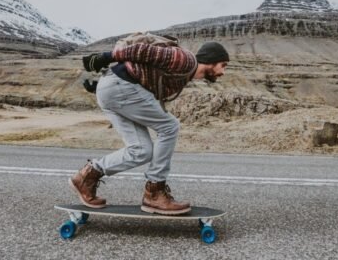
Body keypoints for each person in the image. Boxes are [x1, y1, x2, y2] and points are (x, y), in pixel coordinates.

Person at [70, 41, 229, 215]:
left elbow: (146, 85)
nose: (223, 72)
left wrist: (103, 88)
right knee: (169, 126)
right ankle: (155, 191)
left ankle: (86, 177)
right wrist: (107, 57)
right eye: (223, 65)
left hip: (115, 90)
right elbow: (143, 51)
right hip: (119, 87)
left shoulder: (184, 76)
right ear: (212, 60)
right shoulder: (186, 60)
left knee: (141, 151)